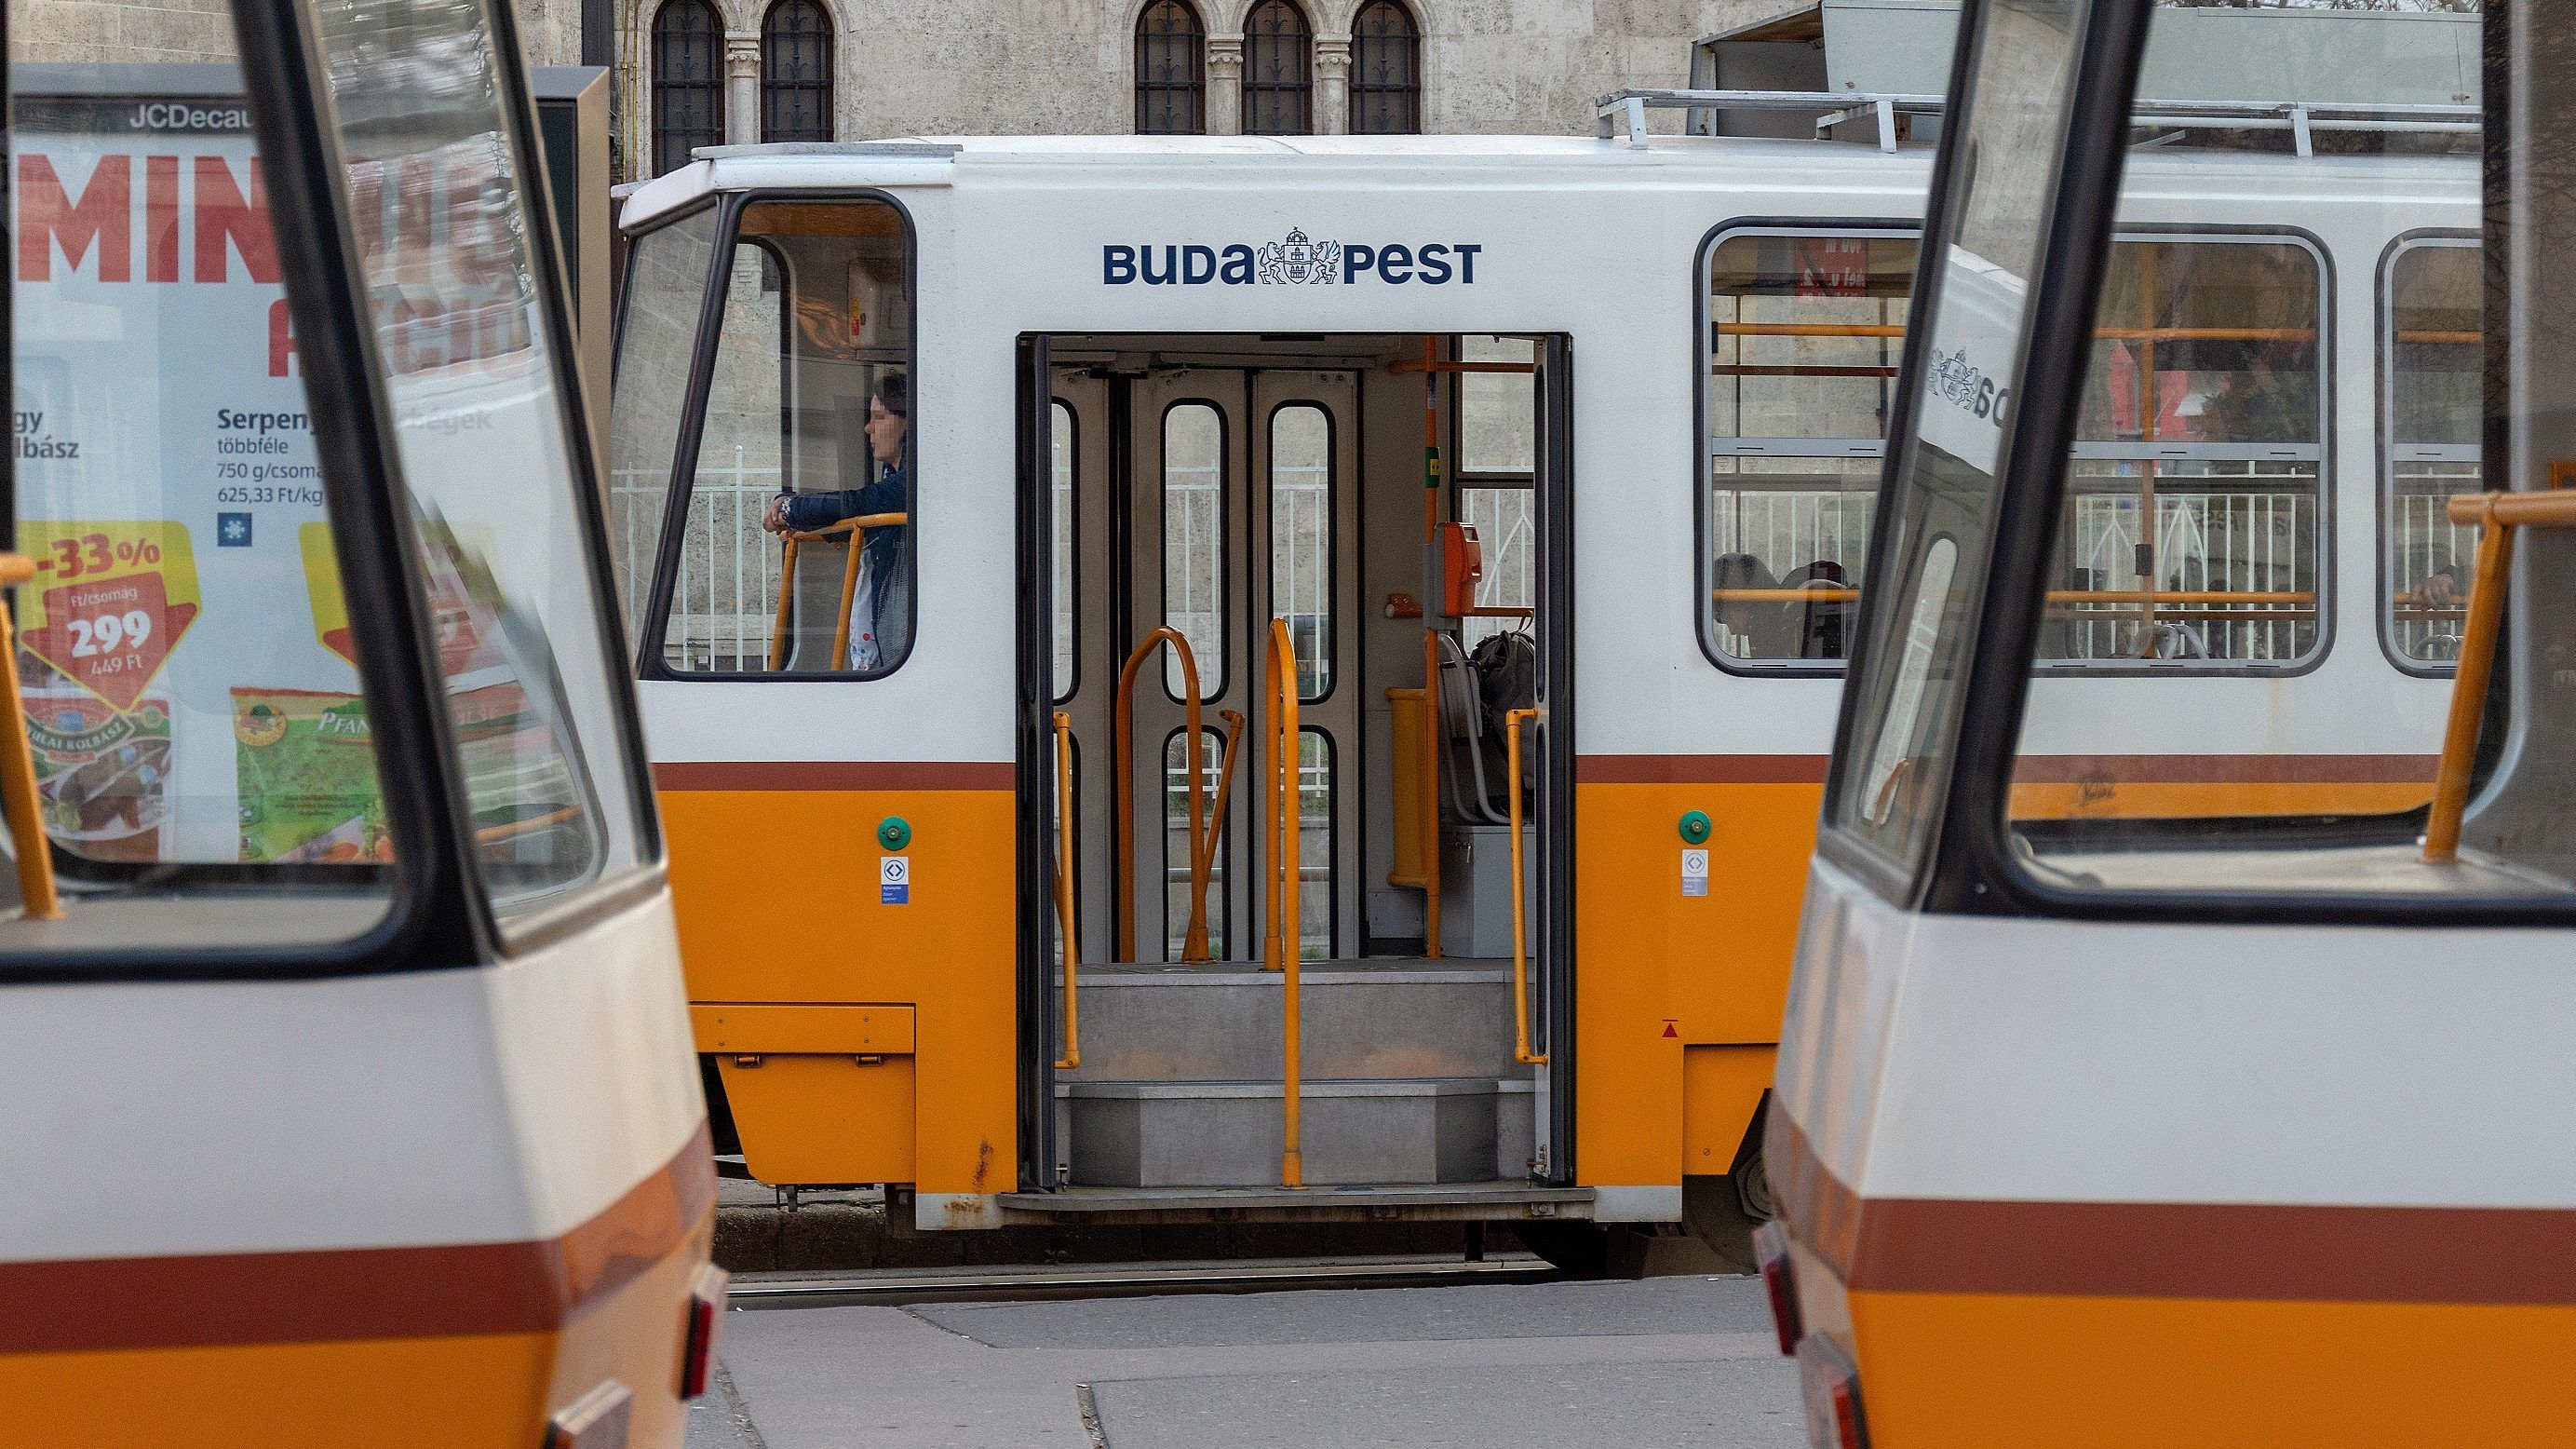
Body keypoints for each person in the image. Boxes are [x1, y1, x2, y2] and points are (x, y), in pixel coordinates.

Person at [763, 373, 910, 670]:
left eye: (880, 417)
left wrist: (790, 508)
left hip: (894, 642)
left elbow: (857, 503)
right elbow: (862, 519)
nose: (868, 428)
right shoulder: (895, 481)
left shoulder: (911, 483)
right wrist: (807, 523)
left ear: (908, 424)